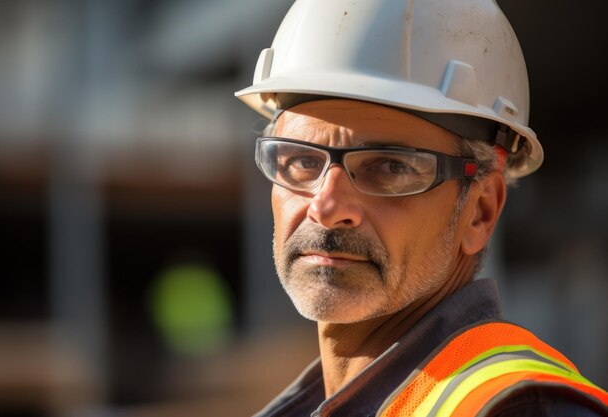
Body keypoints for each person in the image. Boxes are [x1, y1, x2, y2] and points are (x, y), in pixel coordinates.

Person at [235, 0, 608, 415]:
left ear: (481, 212)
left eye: (391, 167)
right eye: (302, 161)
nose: (326, 206)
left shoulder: (520, 408)